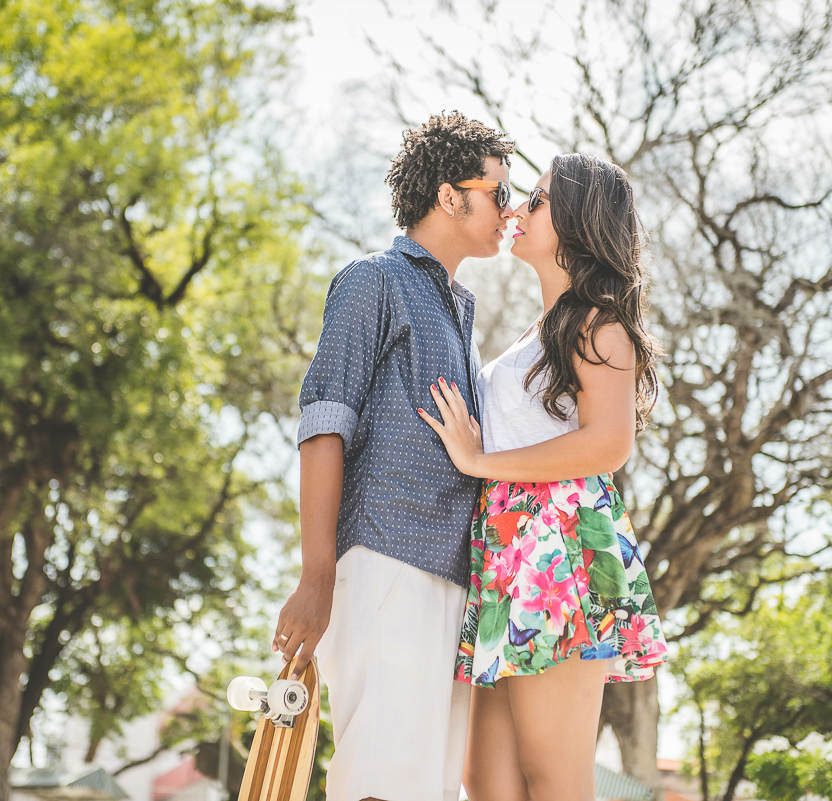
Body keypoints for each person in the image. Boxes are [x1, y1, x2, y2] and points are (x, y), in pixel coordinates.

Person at [271, 111, 515, 801]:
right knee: (379, 784)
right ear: (448, 196)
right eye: (497, 191)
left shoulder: (459, 315)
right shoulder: (372, 280)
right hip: (384, 567)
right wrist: (316, 574)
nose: (509, 208)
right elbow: (324, 425)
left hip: (454, 584)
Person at [418, 153, 671, 801]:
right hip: (505, 558)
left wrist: (479, 462)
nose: (518, 210)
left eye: (537, 199)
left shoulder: (599, 323)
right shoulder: (543, 331)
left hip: (559, 554)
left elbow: (608, 443)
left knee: (554, 779)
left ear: (580, 223)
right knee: (488, 782)